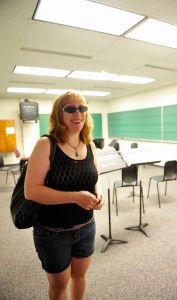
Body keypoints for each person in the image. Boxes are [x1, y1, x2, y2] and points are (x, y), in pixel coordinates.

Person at [25, 90, 105, 300]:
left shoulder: (90, 144)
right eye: (70, 108)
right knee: (59, 285)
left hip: (86, 226)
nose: (77, 113)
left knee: (80, 276)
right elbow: (31, 190)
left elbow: (95, 177)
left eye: (82, 108)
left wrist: (99, 193)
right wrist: (76, 197)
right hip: (53, 232)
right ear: (58, 114)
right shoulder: (46, 144)